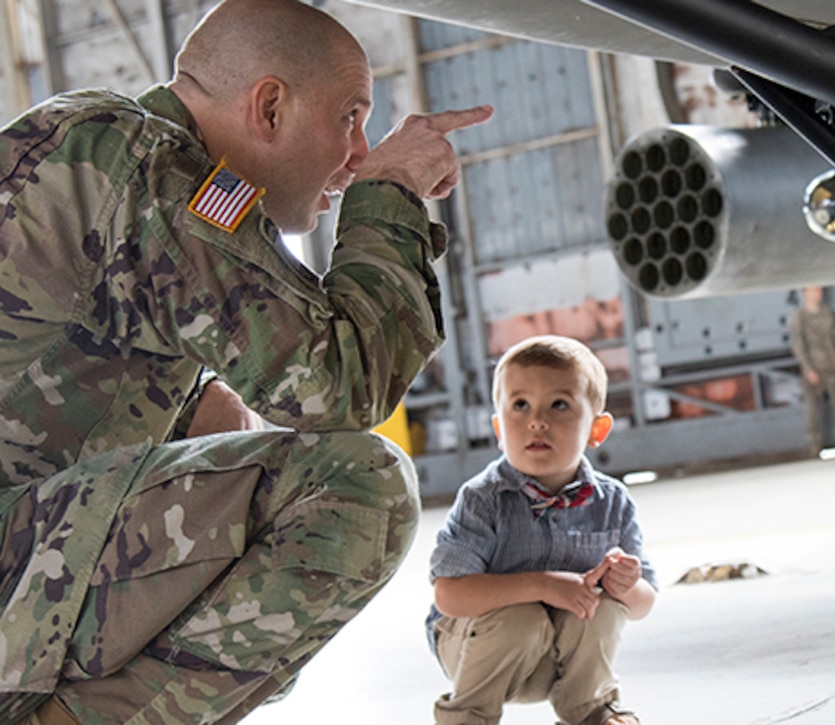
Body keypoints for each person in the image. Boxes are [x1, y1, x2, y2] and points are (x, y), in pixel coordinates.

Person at [0, 0, 493, 722]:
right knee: (360, 486)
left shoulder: (109, 143)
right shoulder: (162, 177)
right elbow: (340, 379)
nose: (356, 152)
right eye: (349, 118)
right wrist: (389, 194)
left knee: (215, 411)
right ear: (269, 106)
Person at [427, 335, 656, 725]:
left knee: (601, 606)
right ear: (500, 428)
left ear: (596, 430)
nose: (536, 420)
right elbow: (449, 596)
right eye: (520, 405)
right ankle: (466, 718)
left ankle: (592, 712)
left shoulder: (612, 501)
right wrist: (544, 586)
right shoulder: (484, 499)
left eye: (559, 405)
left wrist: (626, 586)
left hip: (562, 660)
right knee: (523, 618)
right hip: (480, 650)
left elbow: (642, 604)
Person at [789, 286, 835, 456]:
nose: (819, 293)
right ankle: (814, 446)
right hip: (814, 369)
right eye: (814, 290)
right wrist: (808, 369)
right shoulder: (800, 317)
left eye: (819, 290)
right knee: (813, 411)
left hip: (832, 367)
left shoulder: (829, 314)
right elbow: (799, 347)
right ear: (806, 293)